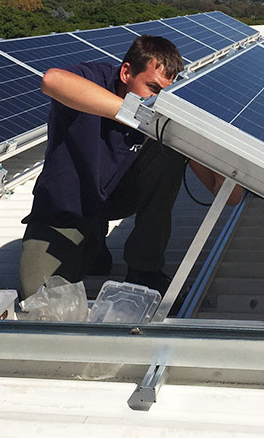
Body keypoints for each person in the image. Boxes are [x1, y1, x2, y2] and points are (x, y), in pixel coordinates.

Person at [18, 34, 237, 300]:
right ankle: (93, 245)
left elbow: (227, 194)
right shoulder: (96, 78)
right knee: (37, 298)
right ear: (126, 73)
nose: (157, 100)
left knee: (168, 145)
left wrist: (205, 136)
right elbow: (51, 80)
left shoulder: (165, 117)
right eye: (152, 88)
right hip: (67, 205)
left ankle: (145, 269)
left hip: (120, 197)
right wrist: (136, 114)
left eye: (164, 93)